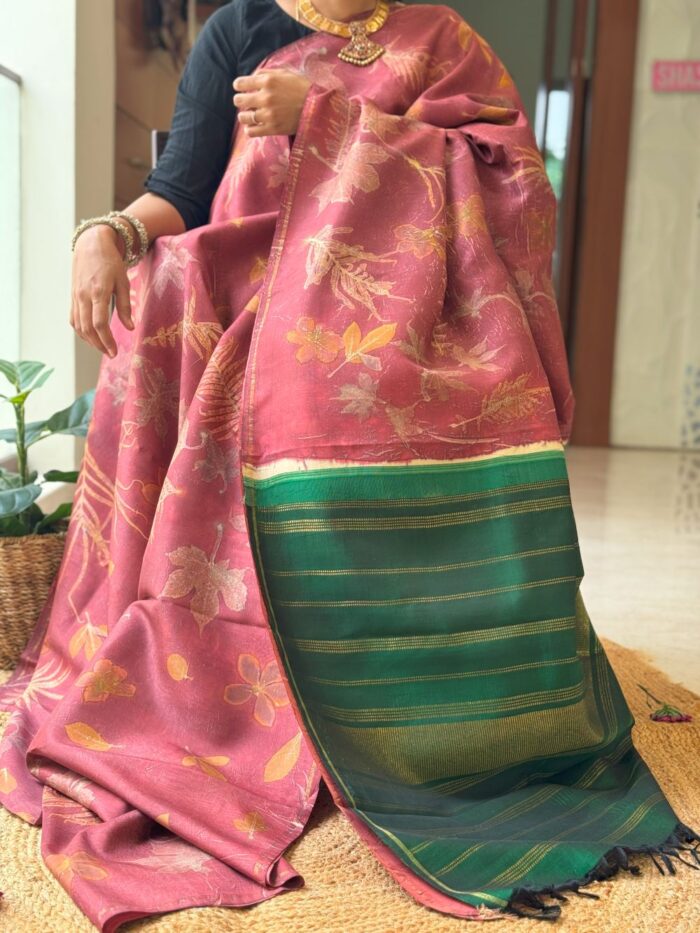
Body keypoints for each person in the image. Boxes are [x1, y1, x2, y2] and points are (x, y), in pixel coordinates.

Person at [1, 2, 698, 930]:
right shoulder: (240, 30)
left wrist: (327, 116)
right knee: (245, 340)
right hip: (259, 289)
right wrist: (108, 233)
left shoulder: (443, 40)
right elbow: (181, 189)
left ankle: (441, 708)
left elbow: (515, 179)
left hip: (426, 313)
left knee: (360, 385)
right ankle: (243, 692)